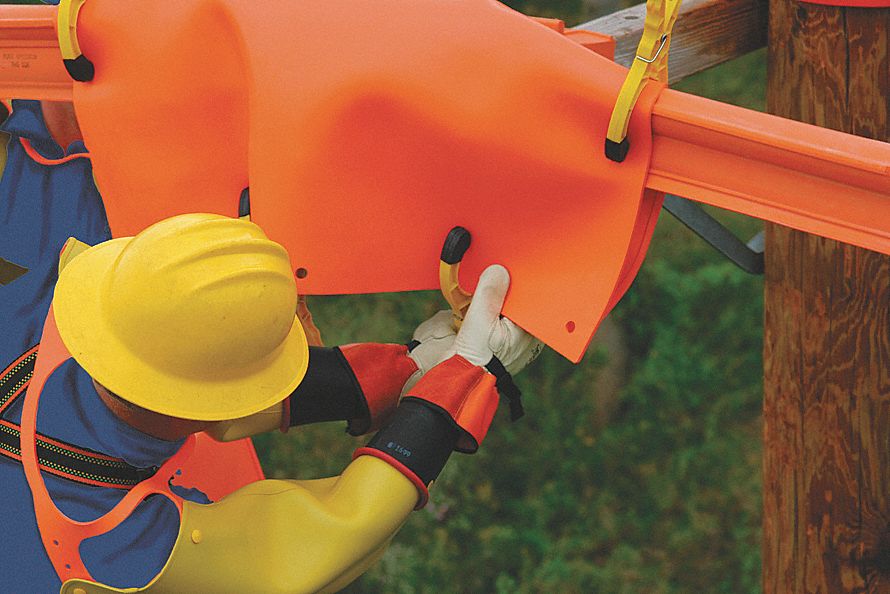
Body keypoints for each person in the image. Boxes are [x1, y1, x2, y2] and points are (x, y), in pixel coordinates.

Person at [14, 213, 539, 592]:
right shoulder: (108, 543)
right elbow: (323, 541)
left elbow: (180, 375)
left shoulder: (59, 299)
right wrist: (459, 382)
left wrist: (408, 366)